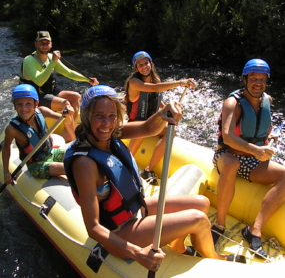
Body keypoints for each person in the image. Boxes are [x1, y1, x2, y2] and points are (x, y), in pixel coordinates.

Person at [64, 85, 246, 272]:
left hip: (132, 211)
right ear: (86, 117)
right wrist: (137, 253)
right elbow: (92, 227)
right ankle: (216, 258)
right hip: (117, 232)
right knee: (199, 219)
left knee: (202, 203)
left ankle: (179, 247)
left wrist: (163, 113)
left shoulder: (112, 133)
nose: (106, 123)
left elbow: (147, 127)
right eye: (99, 115)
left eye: (112, 116)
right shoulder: (85, 164)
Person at [212, 59, 285, 259]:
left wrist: (269, 137)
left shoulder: (267, 100)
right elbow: (227, 136)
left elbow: (263, 129)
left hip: (253, 160)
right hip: (227, 155)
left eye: (262, 79)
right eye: (253, 78)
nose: (258, 83)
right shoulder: (232, 103)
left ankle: (254, 230)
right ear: (245, 79)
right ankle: (219, 224)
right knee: (232, 163)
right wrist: (255, 150)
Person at [124, 51, 196, 185]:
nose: (144, 66)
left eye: (146, 63)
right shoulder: (134, 82)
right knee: (142, 131)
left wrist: (169, 109)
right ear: (136, 68)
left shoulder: (154, 78)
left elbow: (158, 100)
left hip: (152, 122)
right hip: (137, 123)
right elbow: (155, 89)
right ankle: (125, 167)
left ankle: (148, 170)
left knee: (172, 131)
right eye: (140, 65)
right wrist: (180, 82)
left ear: (151, 63)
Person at [19, 31, 99, 141]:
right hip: (35, 96)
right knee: (65, 104)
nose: (44, 45)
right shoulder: (29, 60)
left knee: (76, 97)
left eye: (47, 43)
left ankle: (67, 133)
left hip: (49, 92)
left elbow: (69, 73)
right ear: (36, 44)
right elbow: (39, 81)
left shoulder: (51, 58)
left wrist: (88, 79)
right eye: (41, 42)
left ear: (51, 44)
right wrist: (53, 62)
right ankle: (72, 136)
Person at [2, 84, 73, 184]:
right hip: (36, 165)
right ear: (14, 106)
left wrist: (68, 114)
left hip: (51, 153)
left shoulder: (42, 111)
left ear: (36, 104)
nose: (24, 108)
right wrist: (6, 172)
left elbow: (66, 119)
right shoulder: (12, 129)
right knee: (69, 169)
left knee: (77, 155)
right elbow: (6, 147)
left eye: (28, 104)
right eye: (19, 104)